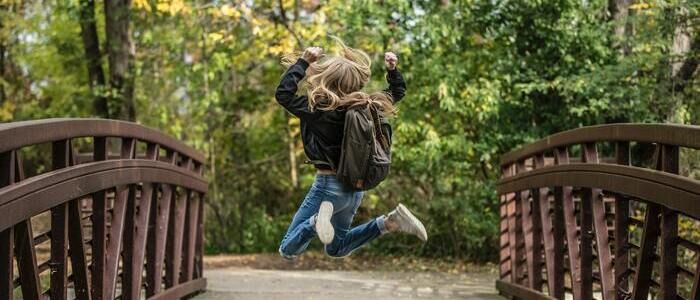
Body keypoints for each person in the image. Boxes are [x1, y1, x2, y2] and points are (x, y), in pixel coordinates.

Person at [276, 38, 427, 260]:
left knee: (287, 249)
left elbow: (283, 94)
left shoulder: (319, 110)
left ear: (326, 78)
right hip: (354, 190)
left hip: (328, 188)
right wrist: (392, 71)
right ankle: (390, 222)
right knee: (337, 248)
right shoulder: (368, 106)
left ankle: (316, 221)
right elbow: (397, 92)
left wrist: (303, 62)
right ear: (354, 82)